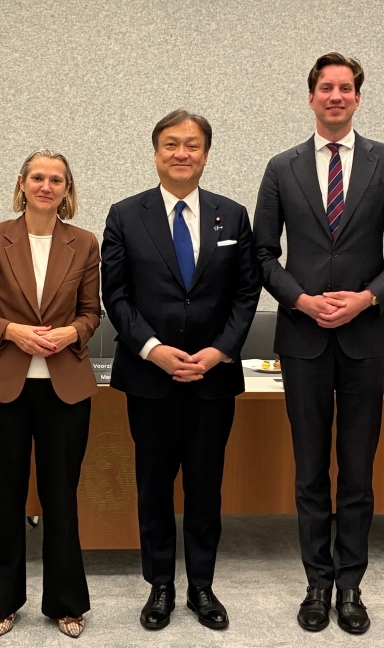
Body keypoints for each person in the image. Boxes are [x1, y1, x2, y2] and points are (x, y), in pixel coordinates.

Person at [253, 53, 384, 635]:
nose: (335, 96)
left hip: (365, 337)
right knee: (309, 470)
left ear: (357, 97)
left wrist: (366, 298)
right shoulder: (281, 168)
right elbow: (261, 255)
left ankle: (351, 585)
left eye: (345, 88)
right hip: (301, 338)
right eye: (325, 87)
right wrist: (300, 299)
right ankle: (316, 584)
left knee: (356, 469)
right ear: (310, 97)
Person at [101, 110, 260, 632]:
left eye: (192, 145)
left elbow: (245, 293)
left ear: (206, 155)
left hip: (213, 377)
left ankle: (202, 586)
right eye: (171, 144)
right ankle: (160, 585)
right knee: (154, 484)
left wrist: (219, 351)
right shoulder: (125, 215)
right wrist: (152, 348)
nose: (181, 154)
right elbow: (116, 296)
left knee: (205, 486)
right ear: (155, 153)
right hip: (150, 377)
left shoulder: (232, 216)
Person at [0, 149, 101, 639]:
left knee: (61, 497)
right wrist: (14, 332)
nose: (46, 186)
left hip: (65, 386)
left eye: (56, 179)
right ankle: (4, 601)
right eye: (37, 177)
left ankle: (66, 602)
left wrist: (70, 334)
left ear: (67, 189)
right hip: (3, 386)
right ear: (22, 183)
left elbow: (92, 313)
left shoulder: (84, 243)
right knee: (5, 497)